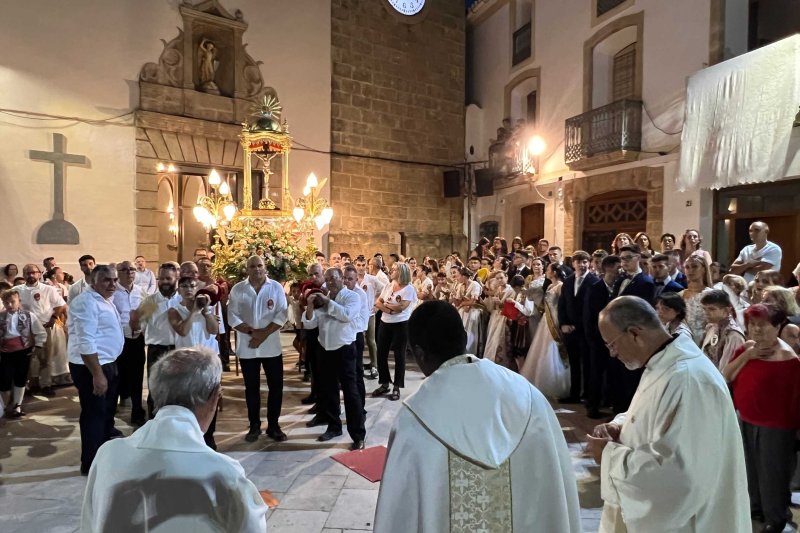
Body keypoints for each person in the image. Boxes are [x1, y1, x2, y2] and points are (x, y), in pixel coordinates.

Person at [374, 300, 581, 532]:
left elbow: (399, 512)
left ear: (419, 353)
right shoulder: (528, 396)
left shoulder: (414, 419)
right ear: (465, 338)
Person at [587, 296, 750, 532]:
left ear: (634, 333)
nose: (612, 354)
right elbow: (654, 413)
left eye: (611, 344)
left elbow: (680, 475)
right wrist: (621, 426)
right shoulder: (663, 362)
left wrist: (609, 456)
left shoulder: (688, 379)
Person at [81, 346, 268, 533]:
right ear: (214, 397)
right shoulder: (224, 473)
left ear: (155, 392)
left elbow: (89, 524)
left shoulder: (108, 455)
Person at [722, 304, 800, 533]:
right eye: (752, 324)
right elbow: (727, 375)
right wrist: (748, 355)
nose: (756, 330)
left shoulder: (788, 359)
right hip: (745, 418)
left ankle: (775, 519)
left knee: (772, 475)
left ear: (777, 327)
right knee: (750, 469)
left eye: (762, 325)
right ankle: (755, 509)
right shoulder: (747, 348)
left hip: (775, 426)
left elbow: (794, 400)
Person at [67, 265, 125, 475]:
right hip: (91, 367)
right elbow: (86, 341)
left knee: (106, 413)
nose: (113, 284)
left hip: (107, 362)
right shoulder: (86, 302)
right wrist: (98, 375)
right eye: (107, 280)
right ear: (93, 281)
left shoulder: (104, 299)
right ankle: (91, 463)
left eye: (115, 280)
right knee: (94, 415)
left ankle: (103, 456)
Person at [302, 268, 366, 449]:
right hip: (325, 349)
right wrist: (310, 306)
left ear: (342, 279)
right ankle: (334, 426)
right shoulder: (323, 297)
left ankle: (358, 435)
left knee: (351, 392)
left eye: (334, 278)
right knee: (328, 391)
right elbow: (310, 324)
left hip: (344, 349)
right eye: (328, 279)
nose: (330, 282)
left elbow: (346, 315)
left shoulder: (352, 297)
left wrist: (327, 302)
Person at [228, 255, 288, 443]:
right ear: (247, 269)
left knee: (276, 386)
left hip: (271, 346)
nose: (256, 269)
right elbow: (232, 316)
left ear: (265, 267)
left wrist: (263, 334)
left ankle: (274, 425)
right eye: (252, 266)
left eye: (259, 265)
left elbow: (282, 313)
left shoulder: (276, 287)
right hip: (248, 346)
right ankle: (254, 425)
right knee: (251, 388)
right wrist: (252, 332)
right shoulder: (238, 289)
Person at [168, 276, 221, 449]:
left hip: (208, 360)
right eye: (184, 286)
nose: (189, 289)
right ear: (179, 290)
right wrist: (194, 312)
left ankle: (209, 437)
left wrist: (205, 312)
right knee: (188, 401)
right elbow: (183, 331)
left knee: (209, 399)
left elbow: (214, 330)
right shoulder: (174, 310)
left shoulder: (207, 308)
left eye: (192, 286)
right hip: (186, 361)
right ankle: (190, 438)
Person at [132, 262, 181, 419]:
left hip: (179, 350)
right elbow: (138, 326)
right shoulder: (150, 302)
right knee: (155, 388)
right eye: (161, 278)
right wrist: (134, 320)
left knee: (178, 389)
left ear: (176, 278)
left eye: (168, 278)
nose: (164, 281)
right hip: (157, 350)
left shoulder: (183, 300)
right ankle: (154, 422)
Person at [14, 263, 67, 396]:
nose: (31, 275)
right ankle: (32, 385)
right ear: (23, 275)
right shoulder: (17, 290)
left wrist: (54, 317)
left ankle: (46, 385)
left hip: (44, 328)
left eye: (33, 272)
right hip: (25, 330)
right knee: (28, 359)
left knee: (45, 358)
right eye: (28, 273)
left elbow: (61, 305)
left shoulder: (48, 289)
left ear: (39, 274)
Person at [520, 264, 570, 399]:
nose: (546, 272)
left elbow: (564, 305)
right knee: (542, 349)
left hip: (555, 319)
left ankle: (558, 383)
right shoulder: (549, 286)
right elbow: (543, 304)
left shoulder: (561, 286)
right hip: (545, 320)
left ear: (554, 272)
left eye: (548, 270)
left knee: (553, 349)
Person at [558, 251, 597, 407]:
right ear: (573, 264)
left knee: (587, 363)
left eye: (585, 261)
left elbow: (593, 309)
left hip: (586, 330)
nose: (582, 265)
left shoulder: (594, 281)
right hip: (569, 330)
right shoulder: (568, 281)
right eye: (578, 262)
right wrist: (563, 324)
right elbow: (562, 304)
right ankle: (574, 394)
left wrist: (579, 325)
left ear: (589, 263)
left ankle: (587, 395)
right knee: (574, 363)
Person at [583, 255, 620, 417]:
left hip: (616, 339)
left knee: (614, 373)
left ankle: (612, 403)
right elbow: (588, 316)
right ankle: (593, 406)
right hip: (598, 339)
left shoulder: (619, 286)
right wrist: (593, 339)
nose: (620, 270)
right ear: (608, 268)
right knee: (596, 373)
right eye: (617, 267)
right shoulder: (595, 288)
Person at [373, 262, 417, 401]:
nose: (391, 271)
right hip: (385, 322)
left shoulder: (409, 289)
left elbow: (401, 308)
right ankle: (384, 382)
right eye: (391, 269)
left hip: (401, 324)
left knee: (399, 356)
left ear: (401, 272)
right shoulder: (388, 285)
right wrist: (390, 309)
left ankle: (397, 386)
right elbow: (378, 302)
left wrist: (386, 306)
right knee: (381, 354)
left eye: (394, 269)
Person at [111, 261, 148, 427]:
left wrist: (142, 325)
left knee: (137, 376)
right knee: (116, 376)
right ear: (117, 272)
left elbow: (147, 311)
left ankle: (137, 410)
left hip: (137, 339)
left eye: (132, 269)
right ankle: (110, 411)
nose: (129, 272)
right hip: (118, 339)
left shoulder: (141, 291)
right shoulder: (112, 291)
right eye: (124, 269)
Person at [0, 290, 46, 417]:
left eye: (12, 302)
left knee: (21, 377)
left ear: (19, 301)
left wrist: (39, 344)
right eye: (6, 302)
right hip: (5, 352)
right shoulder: (1, 316)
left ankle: (17, 406)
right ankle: (4, 407)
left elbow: (40, 331)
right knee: (4, 379)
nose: (9, 305)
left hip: (23, 351)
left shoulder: (29, 315)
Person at [699, 289, 746, 370]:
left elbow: (727, 369)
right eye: (704, 309)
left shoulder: (733, 335)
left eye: (711, 309)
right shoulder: (710, 327)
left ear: (726, 310)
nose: (706, 313)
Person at [680, 255, 714, 344]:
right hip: (683, 340)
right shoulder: (680, 295)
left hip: (704, 341)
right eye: (687, 267)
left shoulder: (711, 294)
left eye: (694, 266)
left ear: (703, 269)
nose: (690, 270)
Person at [482, 271, 514, 363]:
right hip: (495, 316)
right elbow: (491, 306)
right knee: (492, 338)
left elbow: (511, 307)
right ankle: (490, 359)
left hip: (504, 317)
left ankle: (500, 361)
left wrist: (501, 304)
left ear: (506, 278)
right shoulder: (498, 289)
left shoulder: (511, 290)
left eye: (501, 278)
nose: (499, 280)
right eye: (497, 278)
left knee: (500, 338)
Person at [453, 267, 483, 356]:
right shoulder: (460, 286)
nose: (457, 278)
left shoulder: (475, 285)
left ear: (464, 276)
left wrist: (463, 303)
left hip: (473, 312)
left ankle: (470, 353)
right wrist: (453, 295)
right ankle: (460, 352)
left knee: (470, 333)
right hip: (463, 312)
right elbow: (457, 302)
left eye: (458, 276)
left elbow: (473, 302)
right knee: (461, 331)